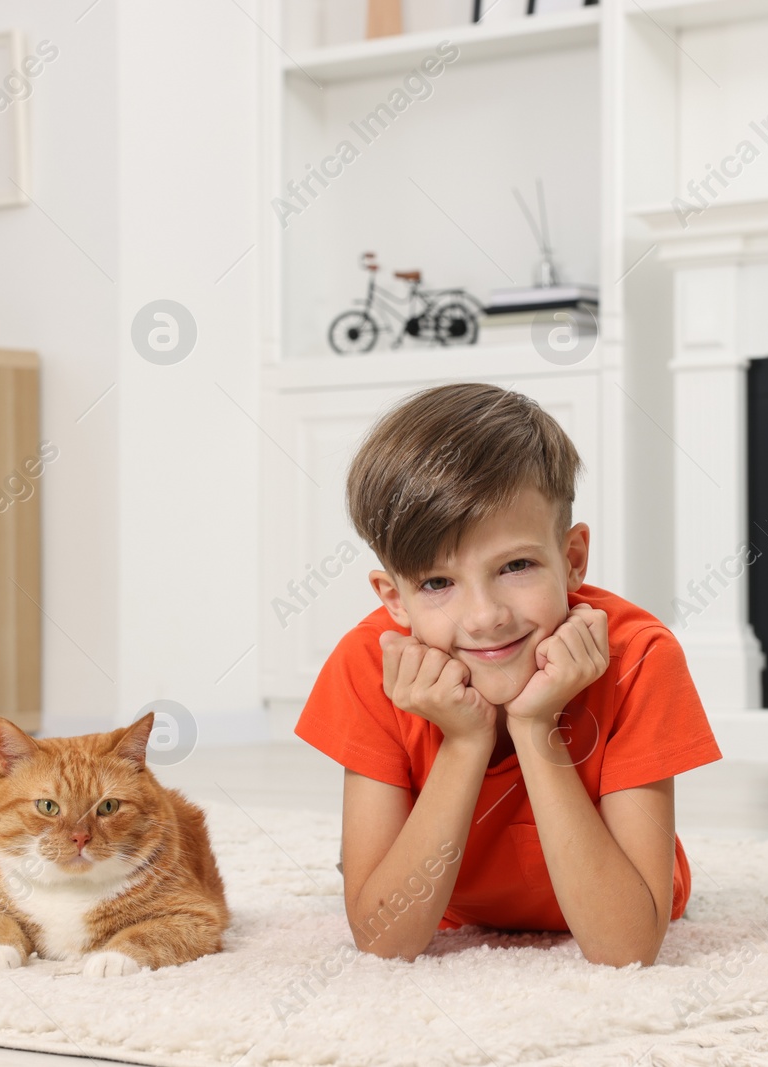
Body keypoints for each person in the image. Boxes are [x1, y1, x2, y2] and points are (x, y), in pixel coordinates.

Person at [295, 383, 723, 967]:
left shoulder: (640, 657)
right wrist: (465, 741)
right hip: (450, 902)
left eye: (516, 566)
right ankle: (364, 859)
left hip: (621, 895)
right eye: (437, 583)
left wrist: (533, 724)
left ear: (572, 560)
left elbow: (626, 949)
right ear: (393, 598)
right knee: (373, 878)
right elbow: (384, 942)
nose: (485, 618)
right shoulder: (370, 663)